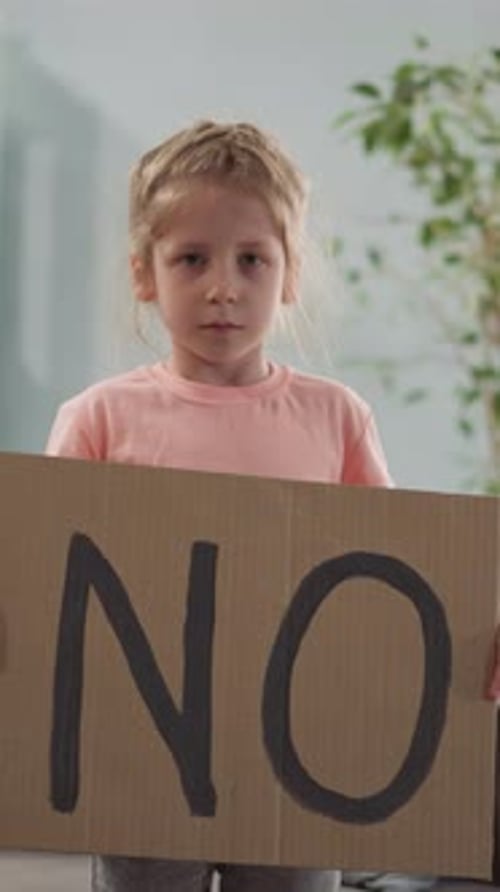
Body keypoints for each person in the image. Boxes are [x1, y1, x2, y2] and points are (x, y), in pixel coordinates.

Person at [44, 119, 481, 891]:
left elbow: (396, 583)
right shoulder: (100, 419)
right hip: (142, 769)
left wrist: (476, 634)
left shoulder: (336, 418)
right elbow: (46, 582)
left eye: (252, 260)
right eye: (191, 259)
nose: (224, 287)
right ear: (144, 274)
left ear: (290, 275)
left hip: (297, 766)